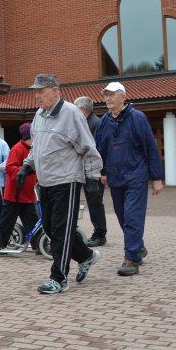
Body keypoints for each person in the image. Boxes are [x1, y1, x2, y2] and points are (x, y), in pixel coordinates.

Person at [18, 74, 102, 294]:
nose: (37, 96)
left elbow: (88, 147)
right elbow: (37, 146)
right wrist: (27, 165)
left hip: (67, 181)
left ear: (56, 90)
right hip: (45, 182)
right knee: (50, 228)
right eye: (35, 91)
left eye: (41, 91)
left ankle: (59, 278)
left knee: (62, 231)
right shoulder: (40, 114)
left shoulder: (72, 114)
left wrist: (92, 178)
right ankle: (86, 256)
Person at [94, 82, 163, 276]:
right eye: (106, 94)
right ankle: (138, 247)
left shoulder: (138, 118)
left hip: (136, 176)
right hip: (115, 178)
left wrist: (156, 178)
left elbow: (150, 147)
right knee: (123, 216)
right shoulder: (104, 121)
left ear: (123, 97)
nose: (107, 98)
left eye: (112, 94)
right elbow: (101, 149)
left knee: (132, 215)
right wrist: (103, 172)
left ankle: (131, 258)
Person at [0, 122, 39, 250]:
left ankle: (38, 245)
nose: (34, 141)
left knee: (33, 222)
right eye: (32, 139)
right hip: (15, 194)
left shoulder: (34, 149)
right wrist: (24, 170)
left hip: (28, 194)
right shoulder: (17, 149)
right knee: (7, 222)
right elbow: (9, 168)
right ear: (26, 139)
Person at [74, 97, 108, 247]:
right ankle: (98, 233)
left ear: (83, 110)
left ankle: (100, 234)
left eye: (76, 108)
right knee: (93, 202)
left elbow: (101, 149)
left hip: (95, 172)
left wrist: (103, 173)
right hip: (85, 170)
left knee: (95, 203)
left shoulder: (95, 124)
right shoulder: (86, 122)